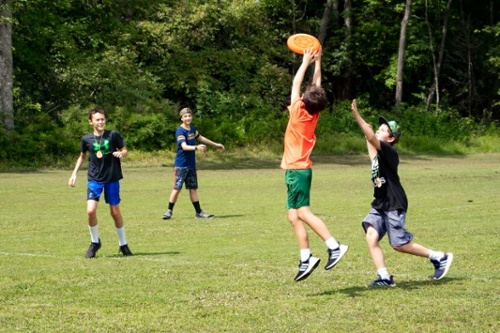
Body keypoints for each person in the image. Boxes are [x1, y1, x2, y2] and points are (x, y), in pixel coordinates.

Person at [351, 99, 453, 287]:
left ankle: (439, 257)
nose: (378, 131)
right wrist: (369, 133)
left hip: (393, 202)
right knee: (371, 235)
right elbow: (370, 142)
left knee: (398, 244)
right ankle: (384, 277)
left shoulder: (389, 151)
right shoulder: (377, 154)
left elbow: (371, 138)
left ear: (390, 139)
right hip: (380, 203)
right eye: (379, 128)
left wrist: (357, 116)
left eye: (383, 130)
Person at [281, 48, 349, 282]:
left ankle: (334, 245)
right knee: (293, 216)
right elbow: (314, 86)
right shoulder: (314, 113)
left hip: (297, 170)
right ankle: (306, 258)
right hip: (298, 170)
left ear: (303, 101)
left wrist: (305, 62)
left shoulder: (297, 113)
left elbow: (296, 82)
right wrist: (318, 62)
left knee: (303, 212)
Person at [68, 108, 133, 258]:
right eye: (97, 119)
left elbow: (124, 150)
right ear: (91, 122)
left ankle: (123, 245)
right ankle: (94, 242)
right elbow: (82, 157)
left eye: (102, 119)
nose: (101, 122)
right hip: (94, 178)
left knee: (115, 212)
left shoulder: (113, 135)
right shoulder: (86, 139)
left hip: (112, 177)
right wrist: (74, 174)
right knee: (90, 211)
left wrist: (121, 153)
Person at [162, 108, 225, 220]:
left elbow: (200, 138)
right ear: (181, 118)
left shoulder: (192, 129)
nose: (188, 118)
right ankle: (169, 211)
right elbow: (184, 146)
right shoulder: (180, 131)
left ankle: (199, 213)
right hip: (181, 165)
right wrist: (196, 147)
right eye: (185, 116)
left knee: (193, 188)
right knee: (177, 188)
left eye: (189, 116)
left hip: (191, 165)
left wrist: (215, 145)